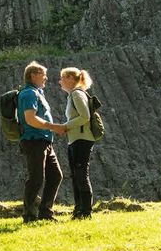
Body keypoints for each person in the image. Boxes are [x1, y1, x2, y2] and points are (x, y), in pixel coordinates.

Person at [16, 61, 68, 222]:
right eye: (43, 74)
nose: (46, 78)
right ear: (33, 75)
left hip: (44, 141)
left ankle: (45, 213)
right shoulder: (28, 93)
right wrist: (54, 127)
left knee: (55, 176)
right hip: (34, 141)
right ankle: (30, 215)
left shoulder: (37, 92)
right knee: (36, 178)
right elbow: (30, 119)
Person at [59, 66, 99, 220]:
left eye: (62, 78)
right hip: (76, 139)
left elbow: (85, 117)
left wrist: (65, 126)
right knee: (77, 176)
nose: (60, 81)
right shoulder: (73, 95)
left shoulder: (76, 94)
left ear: (70, 78)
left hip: (82, 140)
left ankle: (85, 211)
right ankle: (78, 211)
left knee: (81, 175)